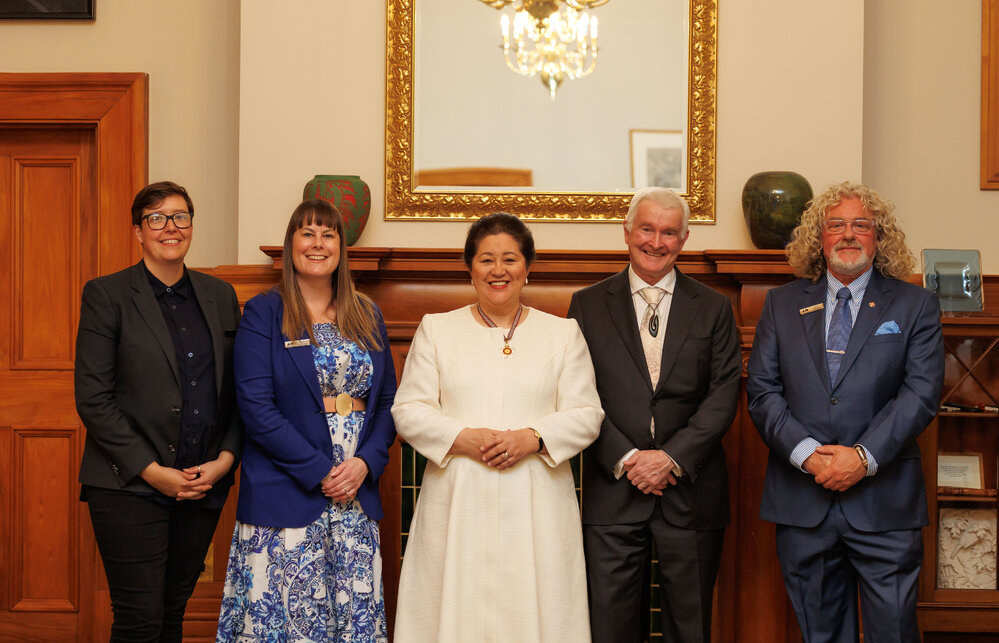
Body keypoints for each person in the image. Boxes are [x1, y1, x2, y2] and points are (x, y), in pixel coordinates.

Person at [746, 181, 945, 643]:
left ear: (879, 236)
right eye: (836, 224)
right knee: (820, 635)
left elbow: (920, 393)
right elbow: (762, 392)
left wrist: (861, 457)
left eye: (861, 224)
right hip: (804, 502)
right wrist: (808, 455)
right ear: (819, 237)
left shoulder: (915, 305)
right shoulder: (781, 304)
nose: (849, 233)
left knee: (893, 633)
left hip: (885, 503)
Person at [391, 212, 603, 642]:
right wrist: (461, 438)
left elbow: (586, 413)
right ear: (470, 268)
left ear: (527, 268)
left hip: (537, 500)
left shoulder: (563, 334)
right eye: (486, 259)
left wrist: (533, 438)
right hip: (459, 496)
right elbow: (409, 408)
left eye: (510, 259)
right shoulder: (437, 329)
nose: (498, 270)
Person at [216, 199, 397, 642]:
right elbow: (256, 408)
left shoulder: (367, 313)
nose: (318, 244)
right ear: (291, 244)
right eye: (307, 233)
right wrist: (321, 472)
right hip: (285, 494)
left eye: (328, 234)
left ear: (341, 248)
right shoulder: (265, 312)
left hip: (354, 498)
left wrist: (365, 464)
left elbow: (389, 401)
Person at [567, 187, 741, 643]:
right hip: (613, 493)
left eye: (669, 232)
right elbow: (577, 395)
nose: (656, 242)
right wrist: (628, 458)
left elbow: (723, 394)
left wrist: (670, 458)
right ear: (627, 232)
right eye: (647, 229)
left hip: (692, 494)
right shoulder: (586, 304)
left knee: (691, 630)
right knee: (611, 631)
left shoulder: (714, 307)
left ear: (683, 240)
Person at [74, 181, 242, 641]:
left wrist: (225, 461)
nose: (171, 227)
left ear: (191, 225)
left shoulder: (220, 295)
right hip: (128, 484)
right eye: (157, 218)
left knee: (171, 615)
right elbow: (93, 397)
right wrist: (152, 472)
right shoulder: (107, 295)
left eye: (180, 216)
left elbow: (237, 390)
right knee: (140, 620)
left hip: (201, 485)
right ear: (138, 231)